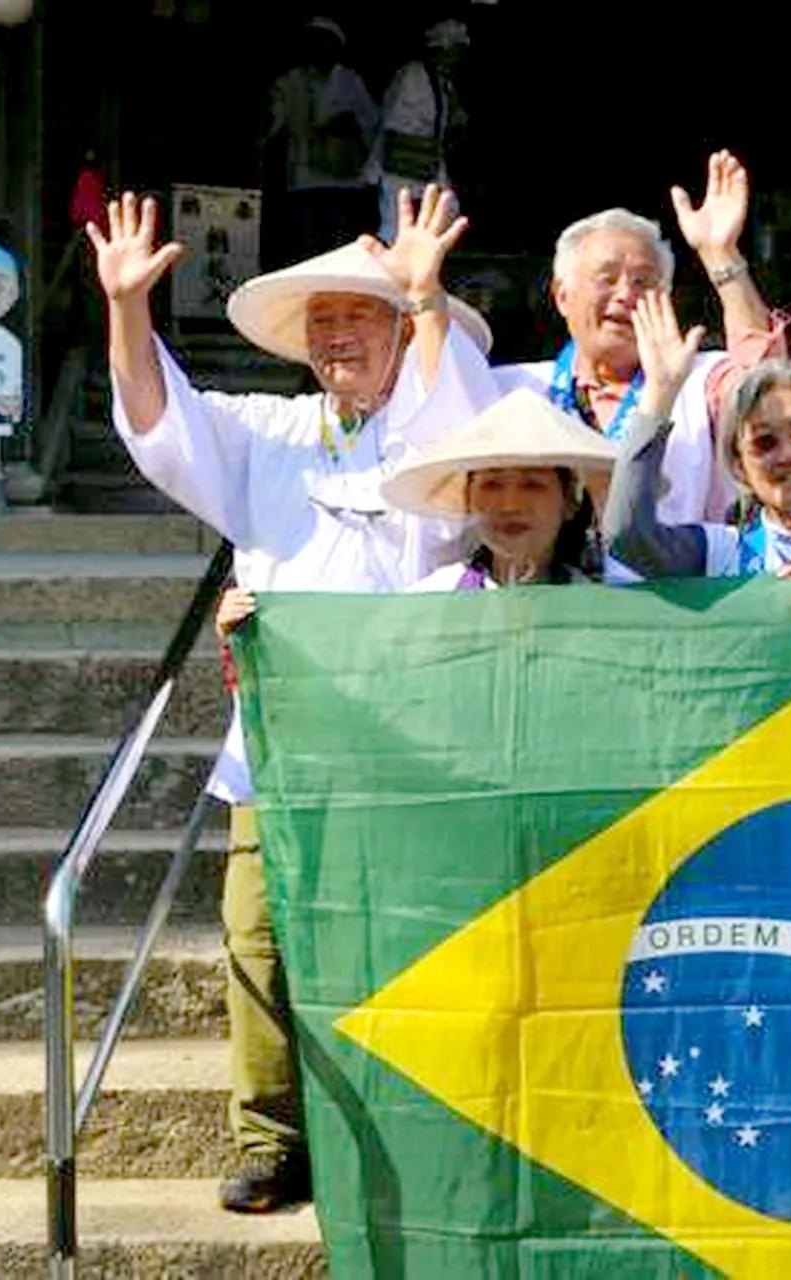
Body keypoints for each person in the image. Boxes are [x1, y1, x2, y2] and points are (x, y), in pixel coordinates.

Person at [88, 184, 492, 1214]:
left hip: (421, 745)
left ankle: (414, 1131)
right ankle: (271, 1135)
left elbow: (466, 448)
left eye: (360, 312)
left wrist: (429, 296)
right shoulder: (271, 428)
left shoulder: (441, 404)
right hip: (280, 742)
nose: (338, 334)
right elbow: (158, 420)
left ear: (404, 325)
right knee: (258, 938)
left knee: (410, 938)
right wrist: (127, 310)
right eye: (323, 320)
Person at [494, 151, 784, 540]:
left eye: (643, 282)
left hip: (669, 592)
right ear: (563, 296)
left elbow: (769, 388)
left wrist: (721, 256)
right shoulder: (514, 389)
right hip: (548, 596)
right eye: (607, 278)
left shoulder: (697, 381)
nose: (625, 295)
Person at [603, 291, 791, 579]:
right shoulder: (719, 555)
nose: (789, 454)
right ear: (740, 466)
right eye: (764, 442)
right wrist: (659, 393)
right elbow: (628, 537)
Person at [389, 388, 616, 589]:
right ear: (469, 498)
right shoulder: (430, 602)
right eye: (491, 485)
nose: (510, 505)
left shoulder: (593, 610)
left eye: (532, 485)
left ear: (568, 501)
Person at [264, 16, 378, 262]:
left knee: (340, 247)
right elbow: (273, 123)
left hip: (344, 178)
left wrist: (350, 125)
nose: (320, 48)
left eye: (327, 43)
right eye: (314, 43)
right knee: (306, 247)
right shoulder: (290, 81)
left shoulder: (350, 80)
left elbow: (372, 121)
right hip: (304, 177)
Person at [368, 19, 468, 244]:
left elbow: (455, 121)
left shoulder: (441, 82)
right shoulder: (413, 75)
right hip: (402, 165)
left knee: (446, 212)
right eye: (456, 51)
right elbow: (397, 126)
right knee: (394, 227)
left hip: (426, 166)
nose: (458, 58)